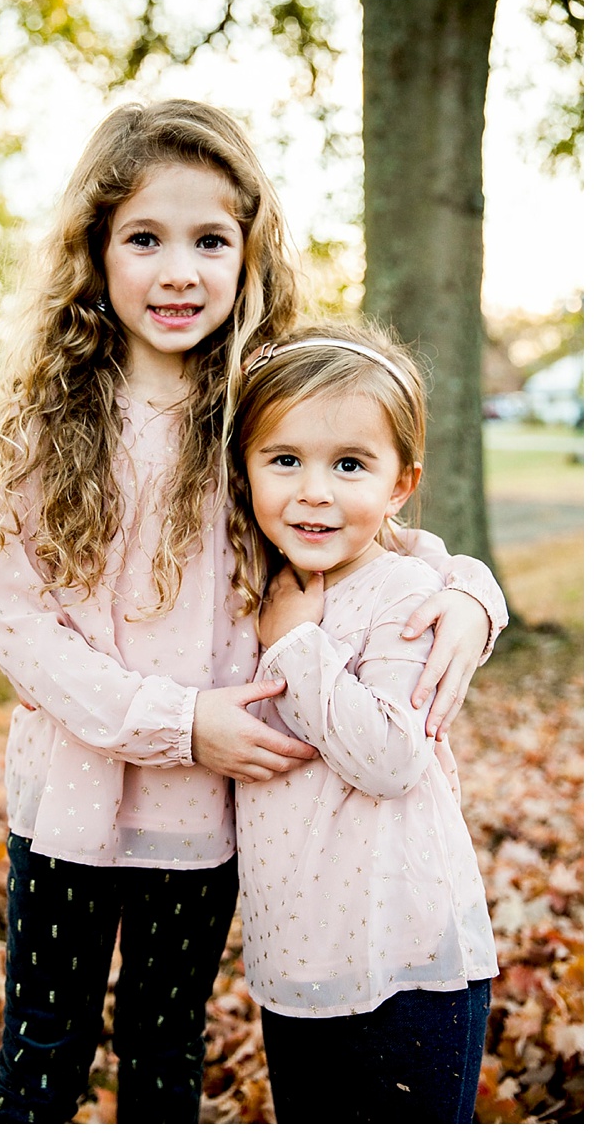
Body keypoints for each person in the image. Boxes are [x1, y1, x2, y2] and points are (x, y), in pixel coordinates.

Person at [0, 100, 507, 1122]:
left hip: (202, 817)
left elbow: (361, 525)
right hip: (70, 796)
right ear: (94, 252)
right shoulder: (46, 421)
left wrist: (469, 588)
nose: (177, 271)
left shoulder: (261, 404)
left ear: (247, 251)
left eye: (209, 240)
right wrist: (178, 720)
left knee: (164, 1046)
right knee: (44, 1045)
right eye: (143, 239)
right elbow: (16, 625)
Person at [228, 325, 497, 1123]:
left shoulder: (406, 592)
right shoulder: (259, 582)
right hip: (298, 957)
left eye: (349, 464)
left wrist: (299, 644)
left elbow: (388, 755)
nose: (314, 490)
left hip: (409, 960)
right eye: (285, 460)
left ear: (401, 483)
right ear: (244, 469)